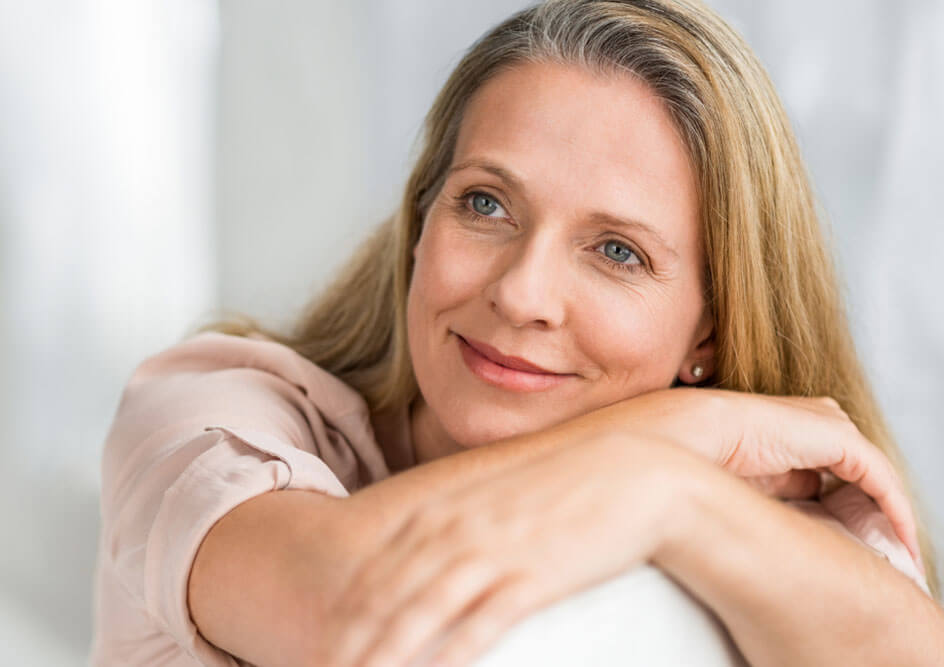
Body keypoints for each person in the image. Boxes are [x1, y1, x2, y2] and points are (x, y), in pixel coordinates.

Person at [89, 0, 943, 665]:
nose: (523, 292)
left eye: (616, 251)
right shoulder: (209, 414)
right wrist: (661, 451)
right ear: (421, 219)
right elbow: (355, 620)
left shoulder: (743, 495)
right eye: (486, 203)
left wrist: (672, 493)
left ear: (710, 333)